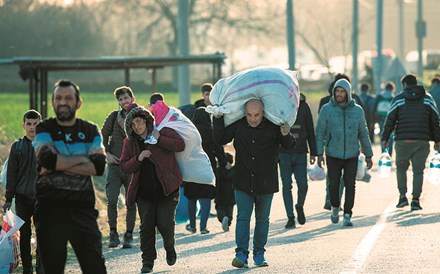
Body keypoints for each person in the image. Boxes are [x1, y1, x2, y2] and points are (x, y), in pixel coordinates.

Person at [33, 80, 106, 273]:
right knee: (52, 269)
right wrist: (83, 159)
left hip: (82, 210)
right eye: (58, 98)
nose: (62, 102)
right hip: (49, 210)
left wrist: (59, 162)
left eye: (68, 98)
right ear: (52, 103)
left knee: (95, 267)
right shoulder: (44, 128)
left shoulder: (90, 130)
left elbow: (98, 167)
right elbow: (46, 159)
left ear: (78, 103)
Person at [213, 99, 295, 268]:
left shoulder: (273, 126)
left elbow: (289, 146)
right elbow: (220, 138)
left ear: (263, 112)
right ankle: (241, 254)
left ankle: (259, 253)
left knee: (262, 219)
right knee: (243, 218)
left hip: (266, 182)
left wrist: (287, 134)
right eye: (249, 115)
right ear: (245, 113)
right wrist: (218, 118)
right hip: (243, 181)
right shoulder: (238, 125)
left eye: (257, 115)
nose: (253, 119)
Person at [120, 103, 184, 273]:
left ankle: (170, 248)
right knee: (146, 228)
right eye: (133, 125)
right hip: (144, 193)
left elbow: (180, 145)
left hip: (167, 189)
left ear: (146, 120)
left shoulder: (161, 130)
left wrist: (160, 138)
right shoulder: (130, 142)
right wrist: (138, 158)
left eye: (139, 122)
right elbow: (124, 166)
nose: (137, 126)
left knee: (164, 223)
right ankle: (147, 262)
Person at [316, 78, 373, 227]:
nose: (339, 94)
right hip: (332, 154)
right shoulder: (326, 110)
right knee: (333, 184)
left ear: (348, 93)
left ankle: (348, 214)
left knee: (350, 185)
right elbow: (320, 133)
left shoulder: (357, 110)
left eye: (342, 92)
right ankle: (335, 207)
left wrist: (369, 155)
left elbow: (364, 133)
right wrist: (319, 154)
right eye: (337, 91)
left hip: (352, 154)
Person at [382, 74, 440, 210]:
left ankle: (402, 197)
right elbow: (436, 120)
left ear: (404, 85)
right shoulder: (427, 99)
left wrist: (385, 138)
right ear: (416, 83)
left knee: (401, 169)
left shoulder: (398, 99)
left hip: (403, 141)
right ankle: (415, 200)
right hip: (421, 141)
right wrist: (437, 140)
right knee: (418, 171)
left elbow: (389, 119)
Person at [2, 110, 43, 274]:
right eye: (29, 124)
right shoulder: (17, 147)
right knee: (25, 235)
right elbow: (11, 174)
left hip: (42, 198)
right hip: (22, 198)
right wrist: (8, 198)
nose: (32, 128)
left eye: (36, 124)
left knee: (42, 234)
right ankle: (27, 268)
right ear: (23, 126)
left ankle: (41, 267)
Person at [101, 86, 137, 248]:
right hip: (114, 166)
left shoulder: (140, 115)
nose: (124, 101)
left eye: (126, 98)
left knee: (131, 202)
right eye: (121, 99)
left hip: (132, 166)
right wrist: (106, 153)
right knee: (112, 199)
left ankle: (129, 235)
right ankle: (113, 233)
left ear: (132, 98)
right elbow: (102, 136)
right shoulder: (113, 116)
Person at [278, 92, 317, 228]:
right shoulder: (279, 106)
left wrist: (314, 152)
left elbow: (311, 130)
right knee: (286, 186)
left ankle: (299, 205)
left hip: (301, 152)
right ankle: (290, 217)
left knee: (303, 184)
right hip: (283, 153)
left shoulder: (304, 106)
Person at [184, 107, 225, 234]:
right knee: (205, 197)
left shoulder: (189, 133)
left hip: (191, 168)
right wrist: (224, 163)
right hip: (208, 167)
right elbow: (219, 151)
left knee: (191, 197)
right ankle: (203, 226)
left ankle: (192, 225)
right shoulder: (212, 132)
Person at [215, 152, 236, 232]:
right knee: (229, 211)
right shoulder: (234, 171)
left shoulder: (219, 170)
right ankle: (228, 223)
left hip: (220, 194)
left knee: (220, 209)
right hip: (231, 195)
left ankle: (222, 218)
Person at [373, 81, 395, 155]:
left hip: (380, 119)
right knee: (390, 137)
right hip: (390, 120)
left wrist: (375, 119)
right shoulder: (393, 97)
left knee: (382, 137)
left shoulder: (379, 97)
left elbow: (374, 108)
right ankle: (389, 154)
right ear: (392, 89)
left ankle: (383, 153)